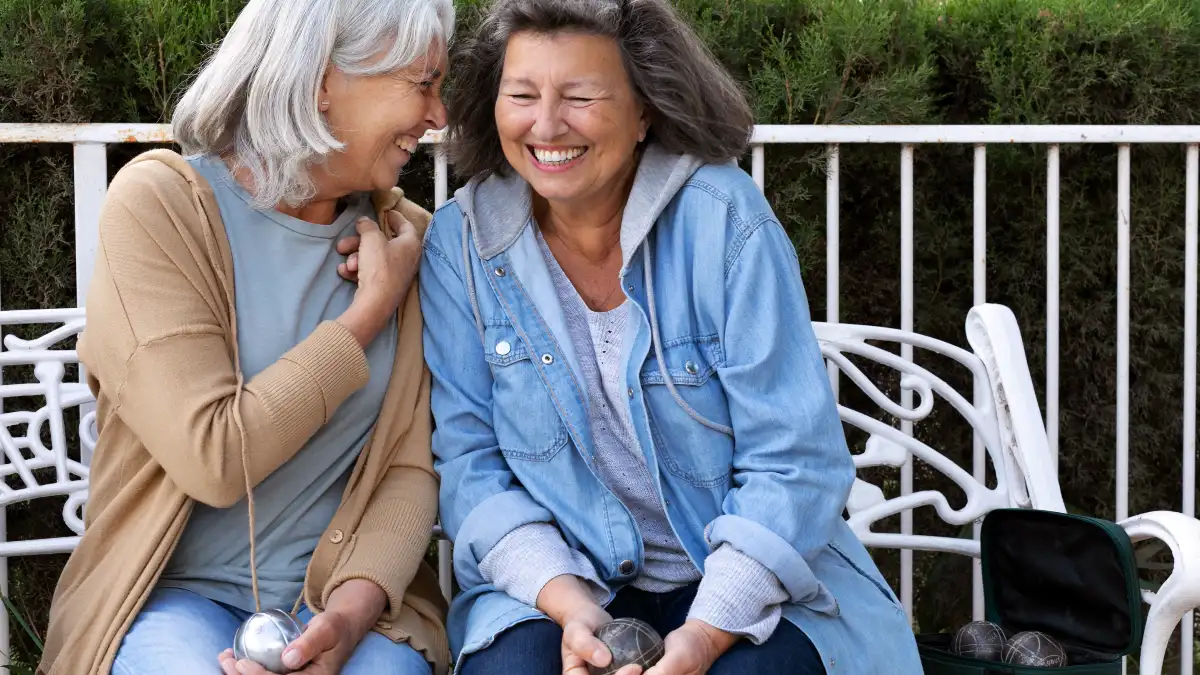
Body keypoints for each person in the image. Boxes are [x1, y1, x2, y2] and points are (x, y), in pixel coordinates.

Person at [416, 0, 925, 673]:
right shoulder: (462, 245)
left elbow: (794, 461)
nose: (545, 124)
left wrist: (706, 630)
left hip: (747, 578)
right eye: (522, 95)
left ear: (645, 111)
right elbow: (473, 469)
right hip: (563, 580)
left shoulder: (724, 219)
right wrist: (570, 608)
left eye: (579, 96)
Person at [36, 1, 455, 674]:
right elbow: (215, 456)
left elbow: (410, 470)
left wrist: (345, 622)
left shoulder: (408, 237)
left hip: (352, 604)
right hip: (166, 598)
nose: (438, 116)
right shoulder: (162, 208)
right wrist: (368, 312)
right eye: (423, 83)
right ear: (321, 80)